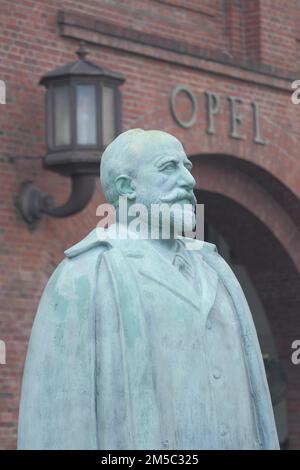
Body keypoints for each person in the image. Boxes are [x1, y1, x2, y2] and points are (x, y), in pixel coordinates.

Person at [18, 129, 279, 450]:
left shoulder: (218, 270)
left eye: (188, 168)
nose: (189, 181)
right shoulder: (86, 274)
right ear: (127, 186)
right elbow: (56, 423)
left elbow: (258, 403)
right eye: (169, 167)